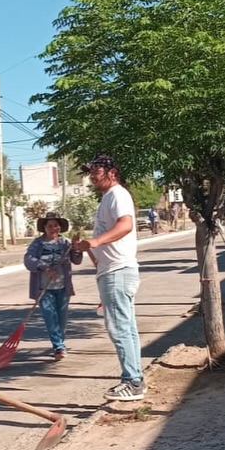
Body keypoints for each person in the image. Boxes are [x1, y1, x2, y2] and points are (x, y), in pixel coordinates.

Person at [71, 153, 145, 401]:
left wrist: (95, 241)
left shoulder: (117, 195)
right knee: (127, 328)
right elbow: (105, 242)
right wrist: (88, 249)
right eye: (90, 172)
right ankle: (135, 379)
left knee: (119, 328)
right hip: (111, 270)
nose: (92, 176)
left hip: (118, 271)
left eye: (96, 172)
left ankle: (132, 382)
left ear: (111, 173)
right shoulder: (106, 198)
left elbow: (125, 225)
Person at [23, 212, 83, 360]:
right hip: (44, 288)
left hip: (63, 287)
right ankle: (58, 347)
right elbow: (28, 260)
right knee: (51, 318)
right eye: (50, 226)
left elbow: (77, 260)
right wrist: (45, 267)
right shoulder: (37, 244)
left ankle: (59, 343)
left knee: (61, 319)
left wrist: (76, 247)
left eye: (56, 225)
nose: (53, 228)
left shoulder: (65, 243)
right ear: (44, 227)